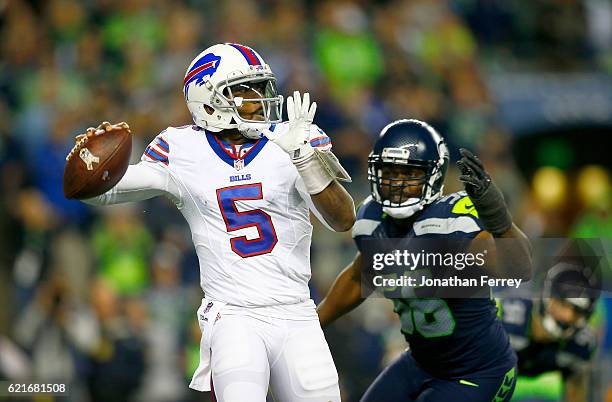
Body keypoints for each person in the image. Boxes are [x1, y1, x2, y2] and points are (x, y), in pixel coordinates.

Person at [74, 43, 355, 402]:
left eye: (261, 87)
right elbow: (105, 191)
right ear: (208, 102)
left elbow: (343, 220)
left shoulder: (293, 137)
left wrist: (304, 158)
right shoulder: (181, 149)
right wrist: (88, 168)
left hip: (297, 311)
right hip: (233, 316)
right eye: (244, 91)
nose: (259, 99)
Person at [317, 119, 533, 402]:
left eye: (409, 174)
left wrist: (500, 220)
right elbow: (359, 277)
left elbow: (518, 268)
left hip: (477, 372)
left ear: (433, 176)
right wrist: (311, 323)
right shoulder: (372, 219)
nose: (396, 183)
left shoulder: (452, 222)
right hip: (421, 362)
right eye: (389, 172)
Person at [499, 261, 599, 402]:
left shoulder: (582, 344)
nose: (568, 316)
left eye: (578, 311)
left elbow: (576, 391)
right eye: (564, 304)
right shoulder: (507, 314)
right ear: (548, 296)